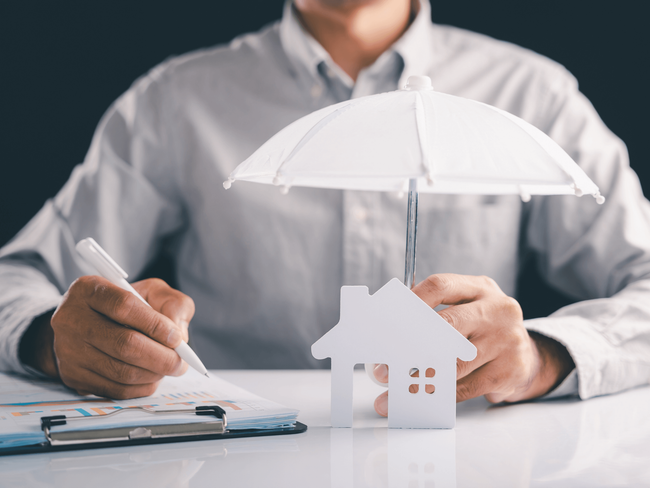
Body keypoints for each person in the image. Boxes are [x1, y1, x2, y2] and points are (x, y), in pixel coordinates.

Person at [1, 0, 649, 417]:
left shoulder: (532, 96)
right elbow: (16, 276)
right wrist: (54, 339)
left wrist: (544, 355)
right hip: (237, 462)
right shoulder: (174, 103)